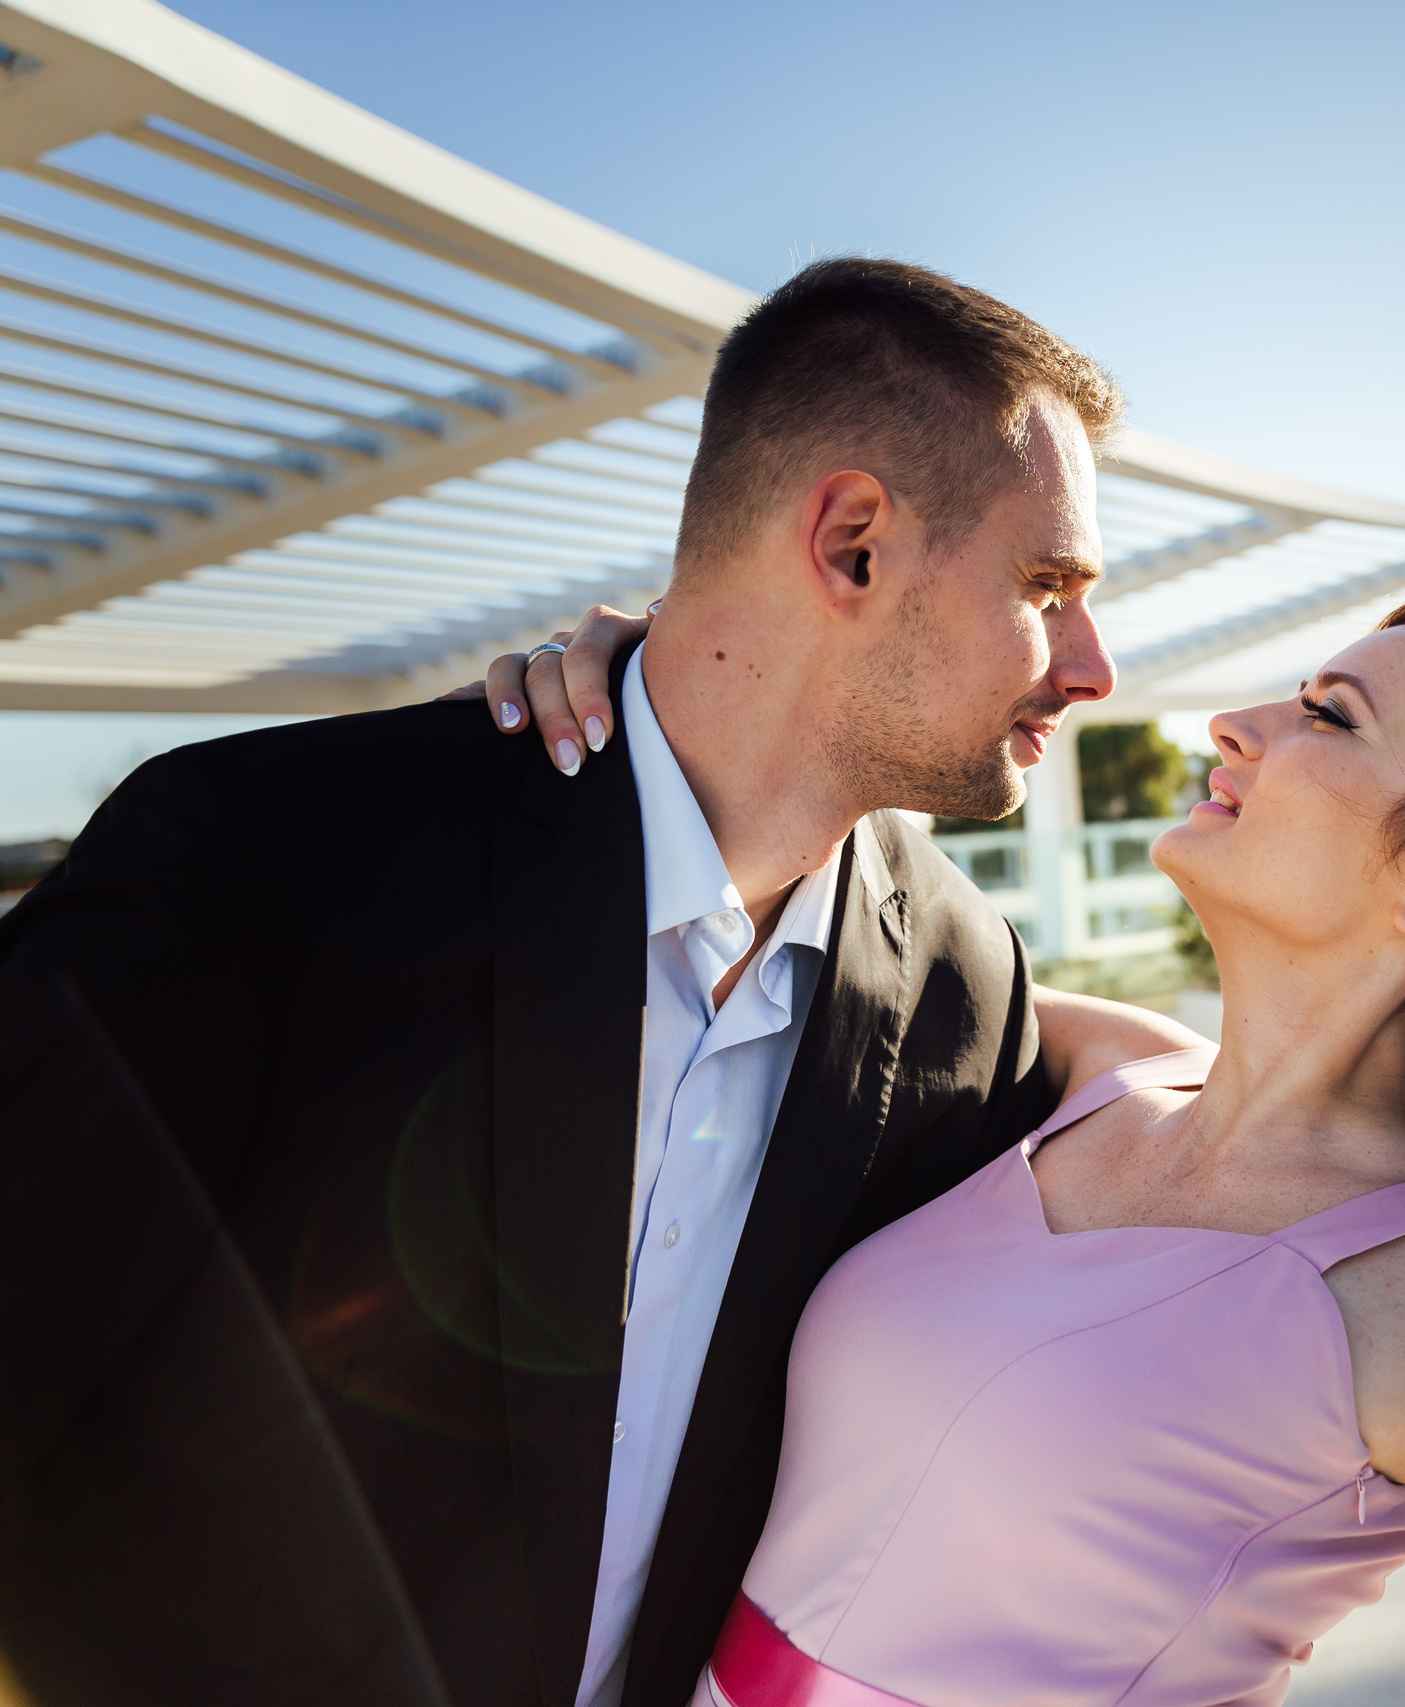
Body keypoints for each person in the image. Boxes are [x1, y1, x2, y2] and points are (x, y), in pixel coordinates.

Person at [0, 259, 1126, 1707]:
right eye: (1050, 587)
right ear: (851, 543)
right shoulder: (267, 857)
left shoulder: (968, 989)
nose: (1094, 665)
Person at [481, 583, 1405, 1706]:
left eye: (1331, 716)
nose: (1237, 725)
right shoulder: (1085, 1066)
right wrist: (677, 688)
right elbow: (771, 928)